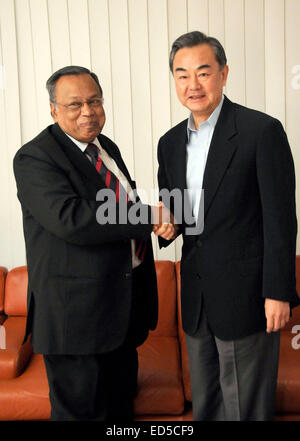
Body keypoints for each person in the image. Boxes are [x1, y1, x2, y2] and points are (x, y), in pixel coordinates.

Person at [13, 65, 174, 421]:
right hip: (77, 321)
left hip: (121, 313)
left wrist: (163, 220)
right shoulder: (35, 157)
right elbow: (72, 218)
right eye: (74, 105)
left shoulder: (105, 147)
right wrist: (149, 216)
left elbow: (121, 207)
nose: (88, 111)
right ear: (54, 109)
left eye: (95, 101)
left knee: (119, 412)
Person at [157, 31, 300, 421]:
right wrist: (168, 222)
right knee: (207, 406)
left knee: (247, 410)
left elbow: (281, 221)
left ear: (224, 73)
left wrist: (278, 292)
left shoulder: (260, 132)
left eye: (203, 72)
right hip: (198, 299)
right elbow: (180, 211)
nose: (193, 85)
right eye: (182, 74)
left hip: (249, 297)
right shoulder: (169, 143)